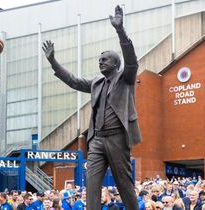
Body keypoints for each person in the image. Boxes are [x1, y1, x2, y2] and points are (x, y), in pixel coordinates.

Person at [42, 5, 141, 210]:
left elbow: (131, 60)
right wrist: (53, 62)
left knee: (124, 184)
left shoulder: (126, 78)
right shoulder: (96, 82)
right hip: (96, 140)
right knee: (92, 185)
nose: (100, 63)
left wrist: (120, 30)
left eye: (104, 60)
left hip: (117, 138)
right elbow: (73, 81)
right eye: (99, 60)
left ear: (115, 63)